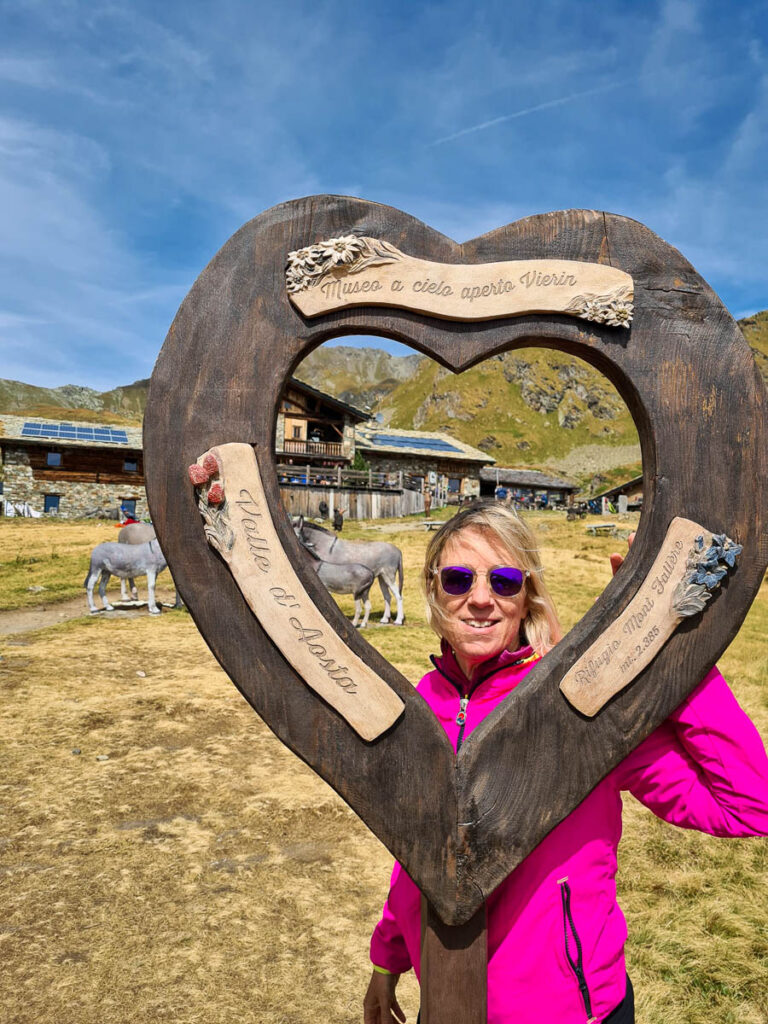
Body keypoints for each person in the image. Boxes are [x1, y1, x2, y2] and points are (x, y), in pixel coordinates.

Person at [364, 501, 768, 1024]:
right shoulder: (423, 704)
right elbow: (418, 852)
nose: (481, 599)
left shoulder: (582, 707)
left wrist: (672, 653)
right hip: (447, 1005)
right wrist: (387, 960)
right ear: (433, 587)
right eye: (459, 578)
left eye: (505, 580)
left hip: (572, 1012)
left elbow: (749, 805)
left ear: (527, 594)